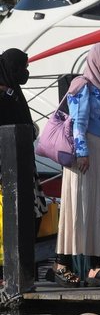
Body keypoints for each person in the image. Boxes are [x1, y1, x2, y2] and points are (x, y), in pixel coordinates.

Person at [54, 42, 100, 288]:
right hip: (84, 156)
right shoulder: (82, 86)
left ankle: (96, 266)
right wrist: (83, 153)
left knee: (99, 207)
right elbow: (78, 124)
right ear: (99, 61)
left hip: (99, 153)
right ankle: (62, 263)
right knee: (78, 205)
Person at [0, 49, 47, 236]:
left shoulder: (13, 90)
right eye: (23, 67)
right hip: (7, 169)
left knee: (32, 215)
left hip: (24, 163)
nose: (26, 72)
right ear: (13, 68)